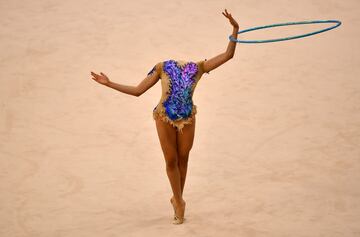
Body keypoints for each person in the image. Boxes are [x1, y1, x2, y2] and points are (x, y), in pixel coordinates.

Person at [90, 9, 239, 225]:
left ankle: (177, 198)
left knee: (184, 158)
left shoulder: (198, 68)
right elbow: (138, 90)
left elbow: (228, 55)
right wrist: (110, 83)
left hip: (187, 117)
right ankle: (178, 201)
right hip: (164, 116)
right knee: (171, 160)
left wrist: (235, 29)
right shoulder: (162, 67)